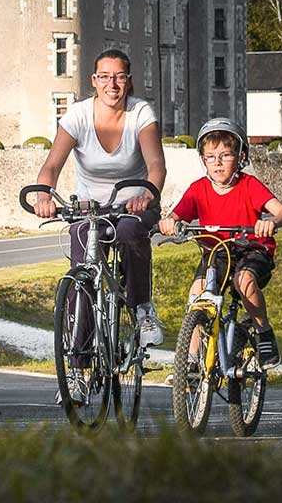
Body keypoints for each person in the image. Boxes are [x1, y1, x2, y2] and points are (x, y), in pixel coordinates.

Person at [32, 49, 168, 358]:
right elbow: (52, 165)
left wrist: (146, 194)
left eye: (119, 77)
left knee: (131, 233)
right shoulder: (78, 115)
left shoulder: (141, 113)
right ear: (94, 80)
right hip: (91, 208)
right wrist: (44, 194)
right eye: (105, 77)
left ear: (128, 81)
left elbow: (156, 165)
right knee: (81, 267)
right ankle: (78, 364)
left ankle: (142, 308)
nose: (112, 84)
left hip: (132, 204)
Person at [158, 118, 282, 368]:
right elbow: (178, 215)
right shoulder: (198, 189)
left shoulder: (249, 185)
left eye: (225, 155)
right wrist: (170, 221)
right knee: (197, 293)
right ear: (203, 160)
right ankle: (190, 360)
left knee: (244, 281)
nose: (217, 162)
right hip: (216, 252)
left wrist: (272, 221)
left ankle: (263, 331)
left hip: (250, 249)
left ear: (240, 157)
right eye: (210, 157)